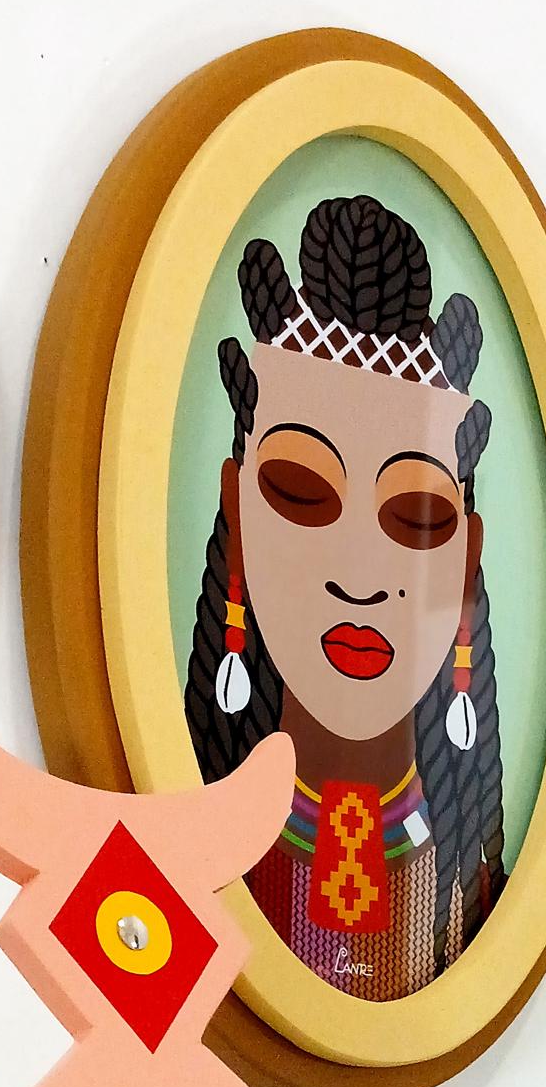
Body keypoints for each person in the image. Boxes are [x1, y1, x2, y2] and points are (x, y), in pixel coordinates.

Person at [180, 194, 506, 999]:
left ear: (465, 559)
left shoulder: (477, 889)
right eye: (300, 493)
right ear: (238, 516)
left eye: (416, 515)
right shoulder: (184, 853)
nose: (360, 578)